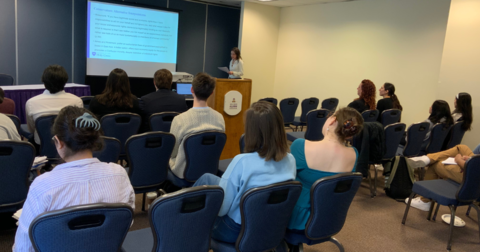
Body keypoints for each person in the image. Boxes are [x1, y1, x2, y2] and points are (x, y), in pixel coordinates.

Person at [13, 106, 135, 252]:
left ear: (59, 142)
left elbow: (23, 248)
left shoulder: (43, 185)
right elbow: (126, 222)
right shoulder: (119, 174)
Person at [192, 101, 296, 243]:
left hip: (236, 231)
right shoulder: (290, 159)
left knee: (203, 207)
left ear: (251, 130)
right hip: (271, 225)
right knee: (208, 178)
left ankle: (181, 217)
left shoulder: (241, 162)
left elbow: (222, 210)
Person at [288, 107, 362, 231]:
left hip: (297, 218)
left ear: (332, 121)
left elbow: (283, 179)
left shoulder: (300, 145)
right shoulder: (353, 154)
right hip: (330, 218)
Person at [169, 73, 225, 179]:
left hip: (183, 172)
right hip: (210, 170)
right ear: (212, 93)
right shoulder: (220, 118)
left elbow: (172, 152)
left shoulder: (179, 120)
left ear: (192, 90)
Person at [25, 65, 83, 146]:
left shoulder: (31, 102)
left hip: (41, 146)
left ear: (44, 81)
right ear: (65, 81)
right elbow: (78, 127)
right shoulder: (76, 101)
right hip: (69, 146)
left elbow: (31, 129)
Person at [407, 144, 476, 211]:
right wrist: (470, 159)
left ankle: (425, 201)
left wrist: (459, 160)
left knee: (435, 165)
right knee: (462, 148)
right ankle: (428, 158)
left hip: (474, 177)